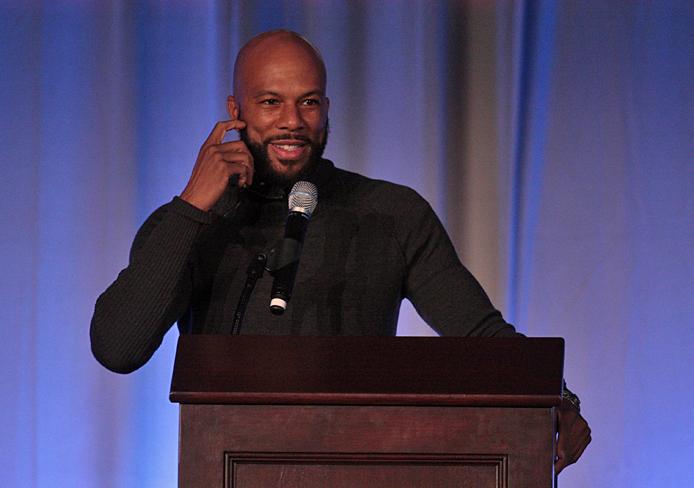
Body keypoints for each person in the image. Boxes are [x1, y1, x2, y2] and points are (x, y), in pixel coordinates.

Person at [90, 30, 590, 473]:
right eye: (270, 102)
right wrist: (191, 207)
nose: (292, 122)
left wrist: (561, 399)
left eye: (308, 102)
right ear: (235, 111)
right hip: (227, 465)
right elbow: (118, 349)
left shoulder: (390, 213)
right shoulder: (188, 223)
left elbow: (482, 336)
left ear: (327, 109)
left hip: (360, 467)